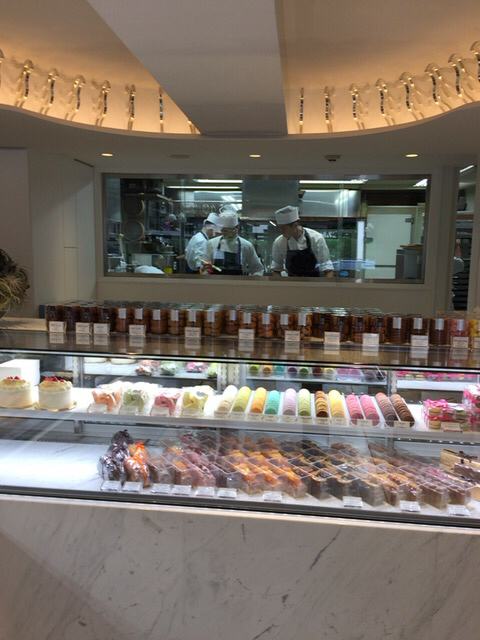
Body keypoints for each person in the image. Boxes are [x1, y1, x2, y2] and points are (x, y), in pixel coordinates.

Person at [271, 205, 333, 277]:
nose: (281, 231)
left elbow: (327, 267)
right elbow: (276, 269)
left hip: (313, 281)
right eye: (279, 228)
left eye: (284, 228)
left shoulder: (316, 238)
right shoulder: (279, 242)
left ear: (295, 225)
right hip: (291, 282)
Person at [201, 211, 264, 276]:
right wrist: (205, 270)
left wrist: (252, 279)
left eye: (230, 230)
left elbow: (258, 269)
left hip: (239, 281)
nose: (227, 233)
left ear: (237, 227)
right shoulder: (211, 244)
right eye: (224, 230)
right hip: (216, 281)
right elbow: (204, 268)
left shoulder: (247, 246)